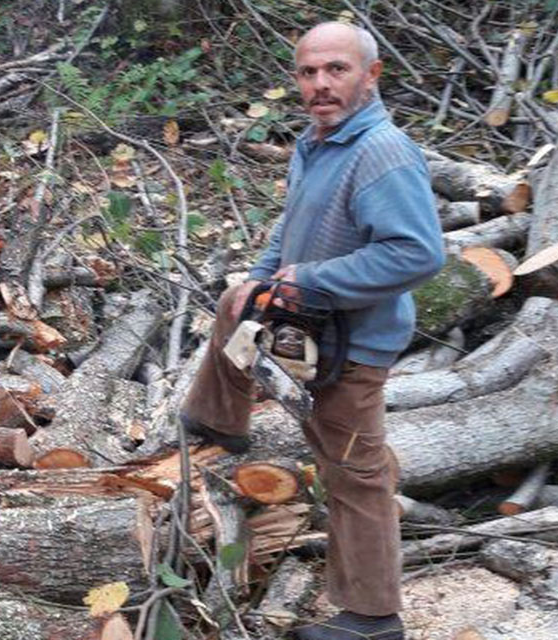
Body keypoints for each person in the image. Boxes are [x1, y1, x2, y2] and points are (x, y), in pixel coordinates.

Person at [178, 21, 445, 640]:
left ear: (371, 74)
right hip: (310, 328)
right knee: (233, 300)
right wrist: (262, 278)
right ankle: (220, 418)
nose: (320, 84)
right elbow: (290, 225)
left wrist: (316, 280)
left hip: (353, 347)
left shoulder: (382, 152)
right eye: (308, 72)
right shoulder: (319, 140)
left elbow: (417, 254)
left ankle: (373, 619)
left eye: (337, 70)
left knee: (355, 475)